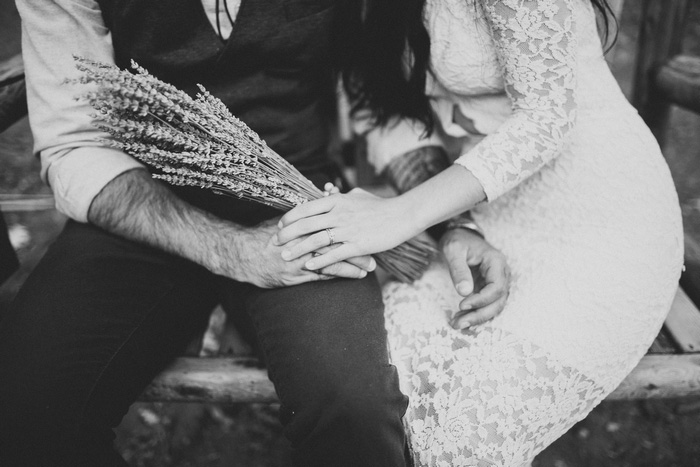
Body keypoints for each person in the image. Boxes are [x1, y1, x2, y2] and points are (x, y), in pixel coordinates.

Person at [0, 0, 512, 466]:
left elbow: (374, 103)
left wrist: (447, 222)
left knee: (351, 413)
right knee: (25, 411)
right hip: (142, 204)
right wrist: (234, 251)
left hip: (302, 203)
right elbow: (74, 144)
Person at [276, 0, 685, 465]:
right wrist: (455, 224)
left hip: (602, 217)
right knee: (389, 400)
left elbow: (546, 117)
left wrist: (401, 214)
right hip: (484, 207)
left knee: (464, 431)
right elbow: (386, 110)